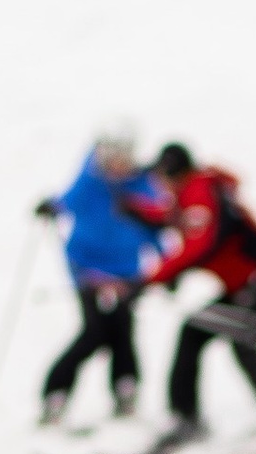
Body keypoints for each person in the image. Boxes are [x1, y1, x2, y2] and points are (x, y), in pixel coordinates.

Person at [129, 144, 256, 447]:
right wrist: (134, 210)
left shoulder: (201, 191)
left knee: (233, 336)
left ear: (173, 174)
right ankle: (191, 417)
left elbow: (202, 243)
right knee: (203, 332)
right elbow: (172, 219)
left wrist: (151, 279)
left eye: (161, 177)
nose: (158, 185)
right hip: (246, 283)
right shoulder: (191, 194)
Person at [34, 130, 168, 426]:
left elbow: (155, 224)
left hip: (127, 272)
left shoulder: (143, 184)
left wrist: (166, 269)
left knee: (123, 329)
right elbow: (69, 202)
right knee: (94, 332)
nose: (119, 164)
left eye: (124, 157)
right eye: (113, 157)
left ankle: (125, 391)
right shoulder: (91, 180)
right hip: (87, 269)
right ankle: (55, 396)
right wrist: (51, 207)